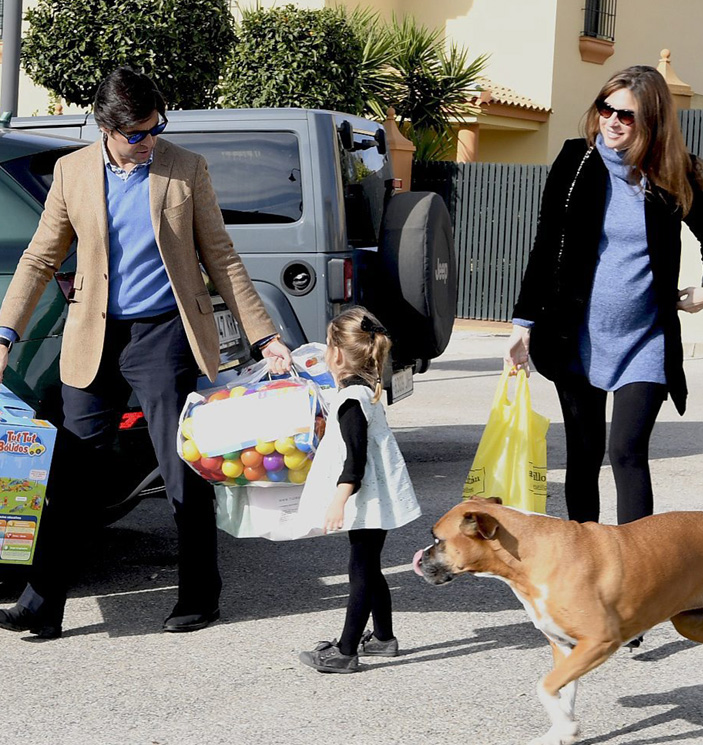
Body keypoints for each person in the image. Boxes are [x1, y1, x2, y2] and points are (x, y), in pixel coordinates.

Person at [0, 67, 292, 639]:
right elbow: (38, 259)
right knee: (73, 469)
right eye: (136, 133)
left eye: (156, 127)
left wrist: (267, 337)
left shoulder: (185, 170)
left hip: (163, 335)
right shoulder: (72, 172)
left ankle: (199, 595)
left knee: (182, 467)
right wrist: (5, 333)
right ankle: (41, 603)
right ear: (106, 128)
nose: (149, 140)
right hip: (93, 336)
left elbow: (223, 258)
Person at [504, 65, 703, 526]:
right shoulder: (575, 161)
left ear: (651, 121)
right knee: (584, 457)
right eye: (606, 108)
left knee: (626, 451)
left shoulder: (674, 174)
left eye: (626, 115)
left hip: (646, 339)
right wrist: (523, 324)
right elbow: (546, 245)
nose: (611, 121)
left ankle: (637, 571)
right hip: (577, 337)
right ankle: (586, 562)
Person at [296, 306, 421, 673]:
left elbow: (356, 459)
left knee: (360, 571)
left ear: (334, 354)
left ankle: (345, 651)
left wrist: (339, 498)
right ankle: (383, 638)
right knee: (370, 566)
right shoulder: (365, 392)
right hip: (375, 497)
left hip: (364, 497)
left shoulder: (351, 401)